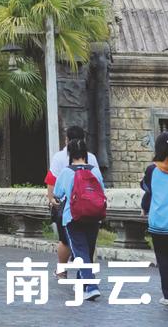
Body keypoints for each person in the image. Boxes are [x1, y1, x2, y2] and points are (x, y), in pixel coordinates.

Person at [53, 138, 104, 302]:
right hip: (94, 216)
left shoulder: (67, 172)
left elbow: (58, 194)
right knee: (88, 250)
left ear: (70, 154)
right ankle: (83, 285)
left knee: (80, 252)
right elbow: (101, 191)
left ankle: (91, 286)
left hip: (73, 217)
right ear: (85, 154)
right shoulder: (95, 171)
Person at [45, 125, 99, 277]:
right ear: (84, 140)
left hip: (66, 207)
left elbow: (52, 181)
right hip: (89, 206)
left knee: (65, 241)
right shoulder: (92, 158)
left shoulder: (59, 158)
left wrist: (51, 200)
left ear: (67, 139)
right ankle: (87, 274)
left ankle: (62, 271)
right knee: (88, 242)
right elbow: (99, 184)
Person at [140, 131, 168, 306]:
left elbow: (147, 189)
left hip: (159, 224)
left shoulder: (152, 169)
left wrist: (144, 208)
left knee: (164, 259)